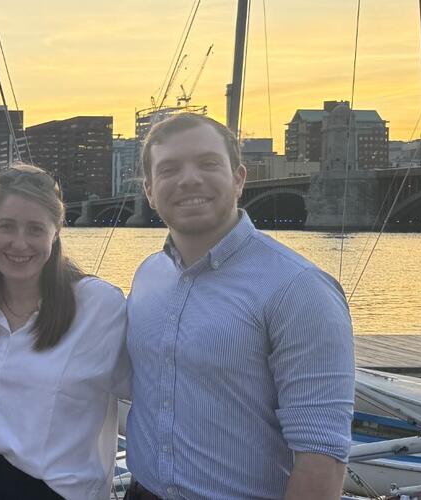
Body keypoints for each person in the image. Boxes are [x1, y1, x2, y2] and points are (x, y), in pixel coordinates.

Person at [123, 113, 354, 499]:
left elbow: (322, 458)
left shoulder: (298, 288)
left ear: (239, 178)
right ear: (149, 190)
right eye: (169, 169)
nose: (189, 179)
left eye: (208, 163)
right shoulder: (149, 274)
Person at [0, 164, 128, 500]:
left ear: (56, 231)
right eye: (6, 226)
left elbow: (151, 388)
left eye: (35, 229)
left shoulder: (98, 306)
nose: (20, 243)